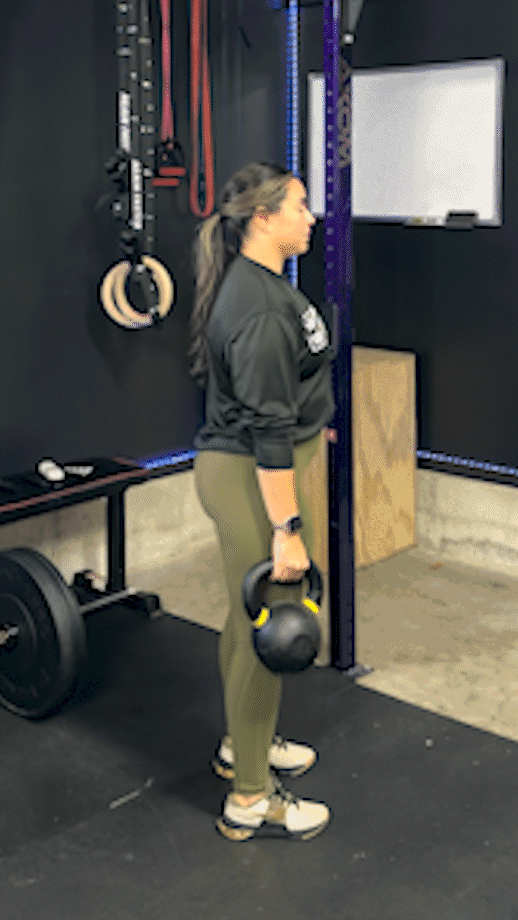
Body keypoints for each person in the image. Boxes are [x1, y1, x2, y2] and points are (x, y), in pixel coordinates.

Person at [189, 162, 336, 841]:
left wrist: (314, 416)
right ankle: (250, 796)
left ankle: (241, 745)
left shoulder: (265, 288)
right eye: (301, 205)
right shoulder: (253, 308)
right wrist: (289, 529)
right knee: (269, 630)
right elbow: (266, 429)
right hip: (254, 478)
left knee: (242, 619)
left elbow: (285, 393)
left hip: (262, 467)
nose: (312, 216)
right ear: (263, 218)